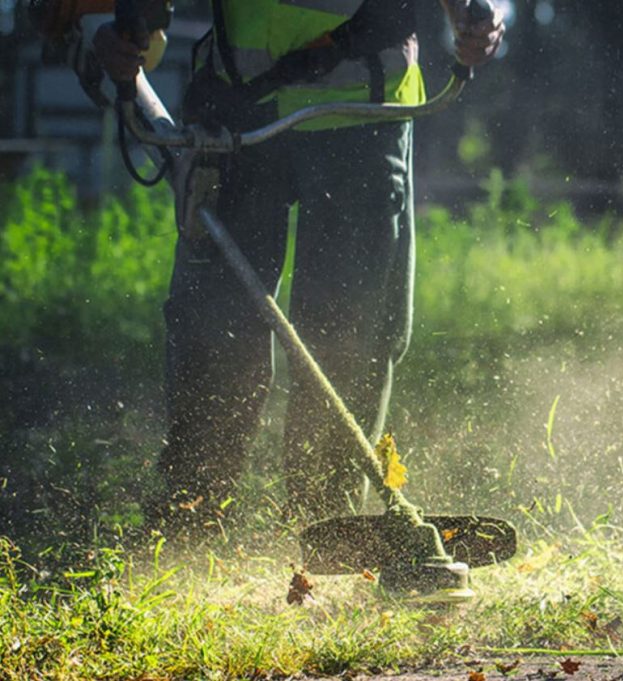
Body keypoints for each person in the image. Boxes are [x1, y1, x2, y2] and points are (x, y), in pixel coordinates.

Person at [92, 0, 505, 533]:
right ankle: (191, 516)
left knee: (347, 332)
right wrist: (127, 30)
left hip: (362, 112)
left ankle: (327, 527)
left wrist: (475, 12)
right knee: (215, 328)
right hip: (237, 109)